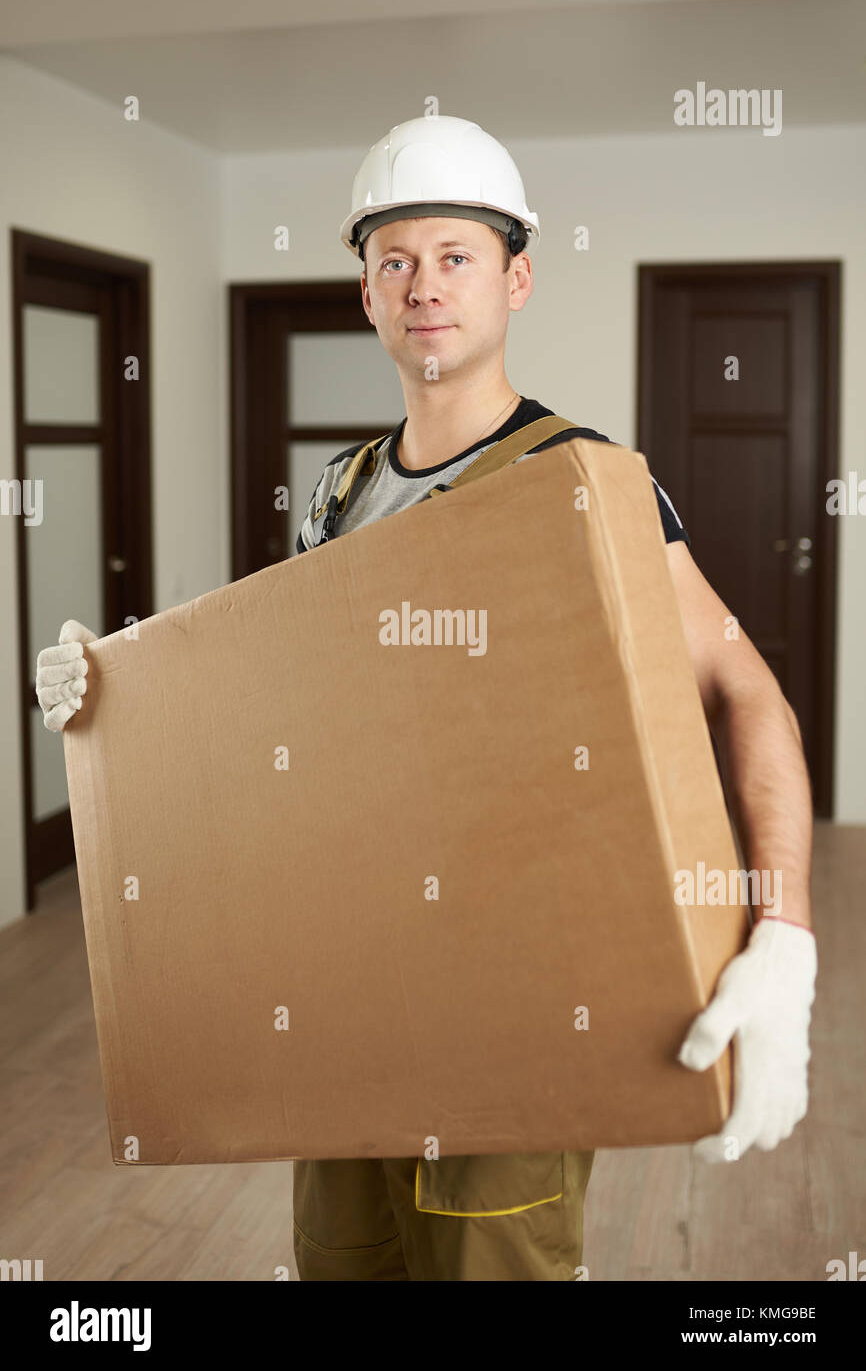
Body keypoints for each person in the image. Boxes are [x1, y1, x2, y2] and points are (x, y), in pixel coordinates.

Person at [36, 115, 817, 1283]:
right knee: (339, 1261)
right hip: (351, 972)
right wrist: (119, 691)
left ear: (516, 279)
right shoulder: (335, 496)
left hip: (518, 974)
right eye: (393, 260)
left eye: (454, 256)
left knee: (486, 1263)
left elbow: (745, 691)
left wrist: (783, 934)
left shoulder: (583, 482)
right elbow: (282, 708)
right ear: (365, 293)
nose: (423, 287)